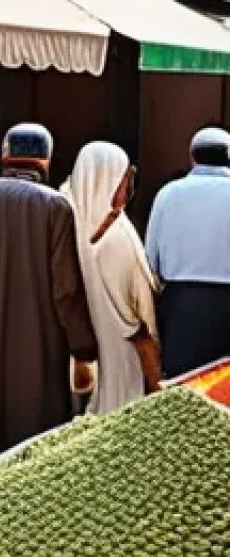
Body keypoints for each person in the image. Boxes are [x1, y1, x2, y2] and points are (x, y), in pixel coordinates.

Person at [0, 123, 98, 471]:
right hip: (37, 344)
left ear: (4, 157)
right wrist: (84, 349)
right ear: (45, 161)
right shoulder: (56, 207)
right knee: (32, 444)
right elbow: (66, 291)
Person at [62, 143, 160, 414]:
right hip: (121, 355)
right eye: (123, 179)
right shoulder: (118, 237)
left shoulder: (65, 222)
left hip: (79, 357)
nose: (126, 190)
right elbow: (140, 320)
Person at [145, 127, 230, 379]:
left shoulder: (168, 194)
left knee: (184, 389)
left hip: (182, 307)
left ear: (192, 157)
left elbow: (151, 259)